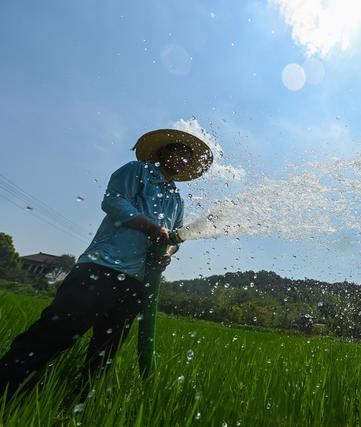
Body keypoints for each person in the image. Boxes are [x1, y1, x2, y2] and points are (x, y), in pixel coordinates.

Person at [0, 129, 213, 400]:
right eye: (178, 152)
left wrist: (168, 251)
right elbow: (113, 201)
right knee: (56, 333)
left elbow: (175, 236)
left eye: (187, 157)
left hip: (137, 281)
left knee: (106, 352)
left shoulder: (177, 200)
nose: (182, 159)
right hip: (100, 269)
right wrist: (149, 227)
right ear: (163, 153)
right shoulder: (138, 171)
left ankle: (74, 404)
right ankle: (8, 388)